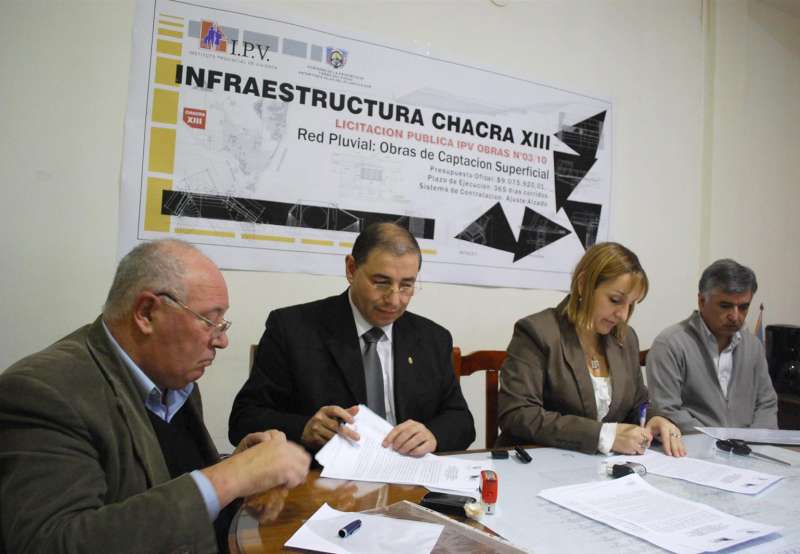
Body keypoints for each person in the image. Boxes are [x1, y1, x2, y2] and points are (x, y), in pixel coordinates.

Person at [0, 240, 311, 554]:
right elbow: (51, 542)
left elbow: (164, 479)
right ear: (146, 313)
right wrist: (230, 477)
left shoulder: (172, 377)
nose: (222, 341)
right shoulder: (44, 392)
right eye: (210, 321)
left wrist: (242, 467)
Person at [229, 222, 475, 457]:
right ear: (351, 269)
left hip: (408, 475)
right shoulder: (292, 329)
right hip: (319, 478)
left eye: (406, 286)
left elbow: (461, 420)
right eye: (381, 283)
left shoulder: (433, 338)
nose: (394, 300)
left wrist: (433, 434)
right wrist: (303, 428)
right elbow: (244, 419)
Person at [497, 242, 686, 456]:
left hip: (602, 467)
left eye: (631, 304)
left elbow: (637, 402)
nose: (623, 315)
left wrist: (655, 418)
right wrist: (604, 436)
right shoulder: (537, 332)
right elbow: (518, 414)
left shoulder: (625, 338)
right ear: (583, 284)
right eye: (615, 300)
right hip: (539, 461)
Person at [646, 259, 778, 433]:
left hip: (748, 446)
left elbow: (766, 404)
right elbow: (667, 410)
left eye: (743, 307)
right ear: (702, 301)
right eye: (725, 306)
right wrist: (718, 442)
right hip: (692, 445)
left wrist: (756, 441)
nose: (735, 316)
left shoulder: (753, 346)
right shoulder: (670, 344)